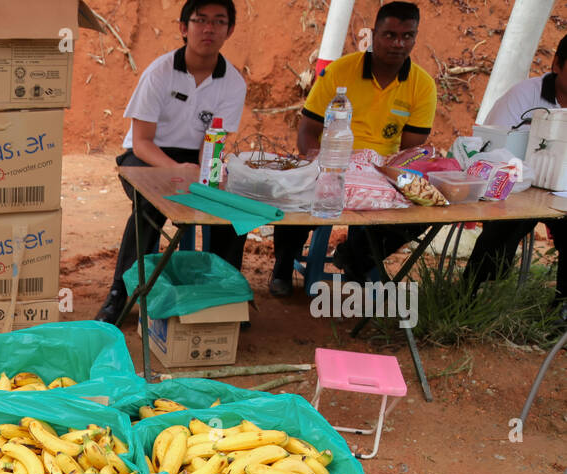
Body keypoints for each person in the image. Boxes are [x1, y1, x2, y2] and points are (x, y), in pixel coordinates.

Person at [269, 1, 437, 296]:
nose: (398, 44)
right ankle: (283, 265)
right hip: (332, 159)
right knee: (293, 188)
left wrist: (395, 176)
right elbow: (308, 130)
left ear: (415, 36)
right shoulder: (340, 71)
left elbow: (412, 152)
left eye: (407, 36)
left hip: (382, 170)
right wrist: (313, 162)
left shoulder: (422, 85)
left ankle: (356, 257)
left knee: (423, 206)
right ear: (373, 35)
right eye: (390, 35)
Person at [95, 0, 247, 324]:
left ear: (230, 30)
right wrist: (175, 170)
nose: (209, 29)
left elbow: (215, 142)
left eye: (219, 22)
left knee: (231, 208)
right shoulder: (159, 73)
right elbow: (141, 141)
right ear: (183, 27)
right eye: (200, 20)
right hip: (145, 157)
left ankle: (222, 298)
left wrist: (208, 177)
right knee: (150, 206)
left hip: (197, 158)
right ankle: (120, 296)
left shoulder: (233, 82)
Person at [463, 34, 567, 304]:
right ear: (557, 64)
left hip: (563, 192)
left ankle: (561, 312)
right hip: (518, 188)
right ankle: (469, 295)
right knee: (506, 224)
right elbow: (493, 148)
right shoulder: (523, 96)